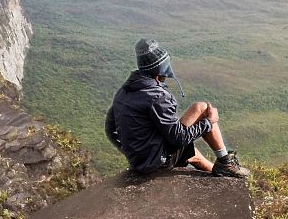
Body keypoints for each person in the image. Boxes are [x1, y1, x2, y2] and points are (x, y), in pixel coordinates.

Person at [105, 38, 249, 178]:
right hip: (157, 163)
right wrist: (209, 122)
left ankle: (220, 170)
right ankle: (225, 161)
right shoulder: (157, 96)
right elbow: (178, 139)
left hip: (140, 161)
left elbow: (110, 129)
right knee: (202, 108)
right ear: (161, 68)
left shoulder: (123, 91)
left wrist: (132, 153)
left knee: (193, 153)